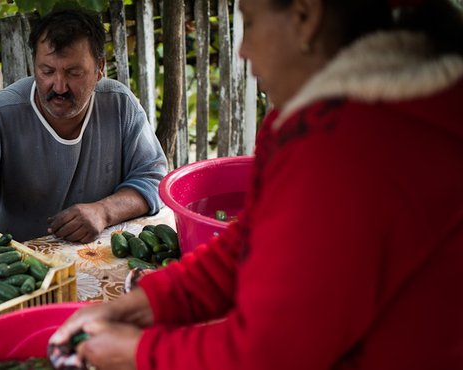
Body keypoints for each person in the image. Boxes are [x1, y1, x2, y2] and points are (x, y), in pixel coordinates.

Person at [50, 0, 463, 369]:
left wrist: (140, 353)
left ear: (305, 16)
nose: (243, 50)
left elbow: (269, 352)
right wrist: (151, 302)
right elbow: (252, 240)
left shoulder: (349, 145)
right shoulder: (346, 116)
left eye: (249, 20)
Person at [0, 9, 167, 256]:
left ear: (99, 68)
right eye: (47, 71)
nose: (59, 86)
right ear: (34, 65)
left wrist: (104, 211)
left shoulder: (120, 105)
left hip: (102, 258)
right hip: (18, 267)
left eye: (74, 73)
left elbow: (153, 178)